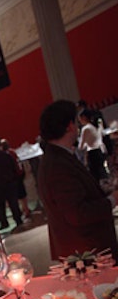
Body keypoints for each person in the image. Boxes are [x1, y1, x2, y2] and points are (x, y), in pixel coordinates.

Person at [37, 99, 118, 263]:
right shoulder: (57, 164)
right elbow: (77, 214)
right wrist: (113, 199)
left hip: (85, 248)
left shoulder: (58, 156)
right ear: (69, 126)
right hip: (87, 252)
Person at [0, 138, 31, 220]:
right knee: (22, 195)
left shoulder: (6, 155)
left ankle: (25, 210)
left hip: (14, 177)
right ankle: (26, 209)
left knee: (18, 196)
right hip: (18, 175)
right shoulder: (13, 152)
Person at [77, 108, 108, 182]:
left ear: (83, 117)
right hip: (100, 150)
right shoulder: (93, 126)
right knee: (102, 174)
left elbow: (80, 146)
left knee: (95, 176)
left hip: (93, 153)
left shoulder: (85, 129)